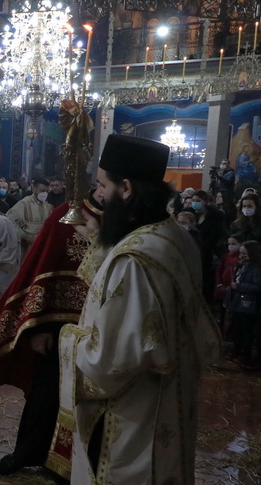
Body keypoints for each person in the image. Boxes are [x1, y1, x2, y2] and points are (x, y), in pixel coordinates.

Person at [51, 134, 221, 483]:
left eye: (103, 185)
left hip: (134, 417)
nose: (98, 194)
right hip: (172, 402)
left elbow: (110, 362)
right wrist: (99, 241)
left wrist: (67, 340)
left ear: (126, 188)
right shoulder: (175, 236)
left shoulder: (135, 260)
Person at [0, 191, 103, 477]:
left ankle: (79, 465)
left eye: (106, 184)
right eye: (99, 184)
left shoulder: (132, 223)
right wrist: (38, 327)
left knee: (92, 402)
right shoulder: (67, 214)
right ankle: (30, 451)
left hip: (104, 330)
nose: (101, 191)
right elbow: (40, 269)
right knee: (46, 393)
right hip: (56, 328)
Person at [226, 241, 261, 369]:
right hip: (237, 302)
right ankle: (236, 350)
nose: (241, 256)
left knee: (246, 331)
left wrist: (239, 286)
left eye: (244, 254)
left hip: (248, 304)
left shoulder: (256, 268)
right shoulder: (242, 265)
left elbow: (257, 286)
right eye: (240, 253)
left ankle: (245, 354)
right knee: (237, 329)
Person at [6, 177, 52, 261]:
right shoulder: (24, 203)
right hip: (26, 245)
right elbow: (10, 220)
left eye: (47, 191)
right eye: (42, 191)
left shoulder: (48, 206)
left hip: (42, 244)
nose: (45, 194)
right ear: (34, 189)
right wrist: (24, 235)